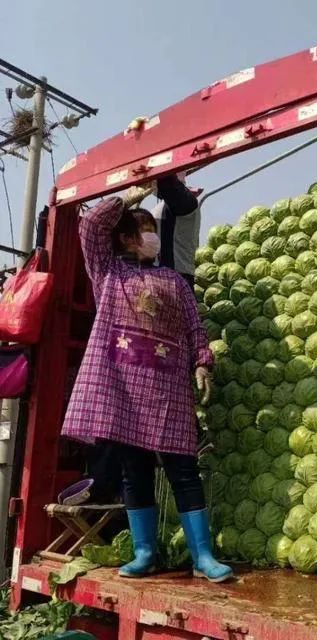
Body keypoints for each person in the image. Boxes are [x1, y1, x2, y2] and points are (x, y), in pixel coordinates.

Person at [61, 187, 232, 583]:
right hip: (124, 391)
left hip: (168, 389)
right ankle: (144, 552)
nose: (153, 236)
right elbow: (89, 224)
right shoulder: (107, 273)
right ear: (125, 238)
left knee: (183, 472)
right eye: (145, 229)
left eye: (153, 229)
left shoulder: (173, 281)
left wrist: (203, 361)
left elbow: (194, 328)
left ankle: (203, 556)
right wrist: (128, 196)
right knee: (132, 475)